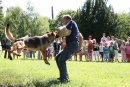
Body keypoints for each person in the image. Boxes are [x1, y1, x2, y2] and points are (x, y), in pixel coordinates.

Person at [55, 15, 81, 83]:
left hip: (72, 44)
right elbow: (81, 36)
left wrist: (56, 35)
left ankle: (64, 79)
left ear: (68, 19)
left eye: (64, 20)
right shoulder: (74, 25)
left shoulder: (71, 22)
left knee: (61, 60)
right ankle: (63, 76)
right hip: (72, 44)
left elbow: (62, 29)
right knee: (58, 58)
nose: (63, 21)